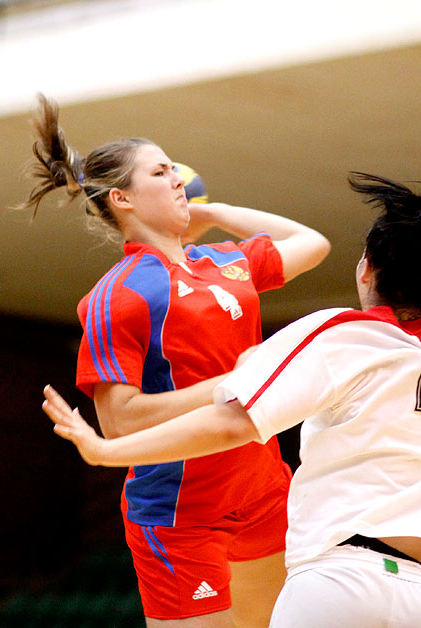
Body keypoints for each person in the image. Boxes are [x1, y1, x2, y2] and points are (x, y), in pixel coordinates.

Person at [42, 45, 421, 628]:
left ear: (366, 272)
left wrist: (108, 453)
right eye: (161, 170)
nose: (178, 179)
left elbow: (234, 418)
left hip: (332, 572)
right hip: (420, 590)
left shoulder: (335, 335)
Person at [20, 94, 330, 628]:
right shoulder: (116, 296)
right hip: (178, 515)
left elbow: (312, 243)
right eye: (161, 172)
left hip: (262, 491)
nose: (178, 178)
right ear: (123, 198)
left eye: (175, 169)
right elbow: (120, 423)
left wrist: (208, 214)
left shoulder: (224, 262)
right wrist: (233, 383)